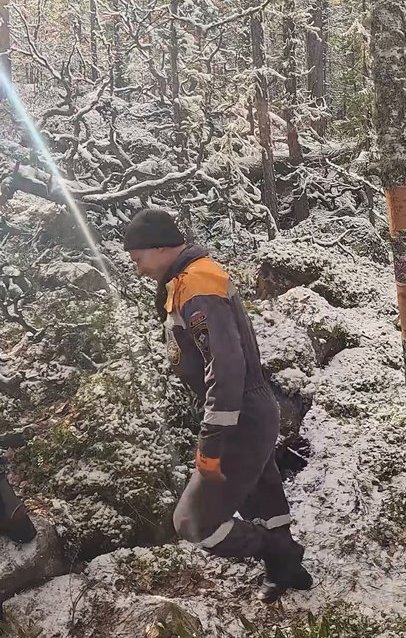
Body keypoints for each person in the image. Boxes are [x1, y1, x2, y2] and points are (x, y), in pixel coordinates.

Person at [123, 209, 311, 603]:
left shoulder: (196, 284)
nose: (138, 270)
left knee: (193, 521)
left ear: (159, 247)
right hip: (248, 410)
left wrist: (211, 443)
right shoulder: (187, 280)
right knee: (261, 492)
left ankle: (280, 552)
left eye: (138, 259)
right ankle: (286, 570)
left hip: (238, 413)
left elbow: (225, 369)